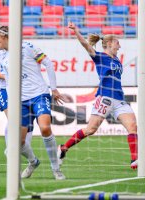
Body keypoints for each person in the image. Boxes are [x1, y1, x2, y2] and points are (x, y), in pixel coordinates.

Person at [57, 22, 138, 169]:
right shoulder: (99, 57)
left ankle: (135, 160)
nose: (119, 46)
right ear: (109, 44)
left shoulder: (117, 60)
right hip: (105, 97)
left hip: (119, 99)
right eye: (117, 43)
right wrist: (76, 31)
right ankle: (63, 148)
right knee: (90, 130)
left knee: (132, 126)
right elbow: (85, 45)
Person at [0, 26, 65, 180]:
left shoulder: (27, 47)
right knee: (19, 141)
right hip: (21, 101)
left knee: (45, 128)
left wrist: (54, 89)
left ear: (4, 36)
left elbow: (48, 64)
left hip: (39, 94)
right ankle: (33, 162)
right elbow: (8, 82)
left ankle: (56, 169)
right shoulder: (3, 57)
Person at [0, 27, 33, 155]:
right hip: (3, 89)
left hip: (17, 88)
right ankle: (10, 149)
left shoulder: (10, 50)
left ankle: (22, 146)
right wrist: (10, 77)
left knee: (25, 119)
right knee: (13, 119)